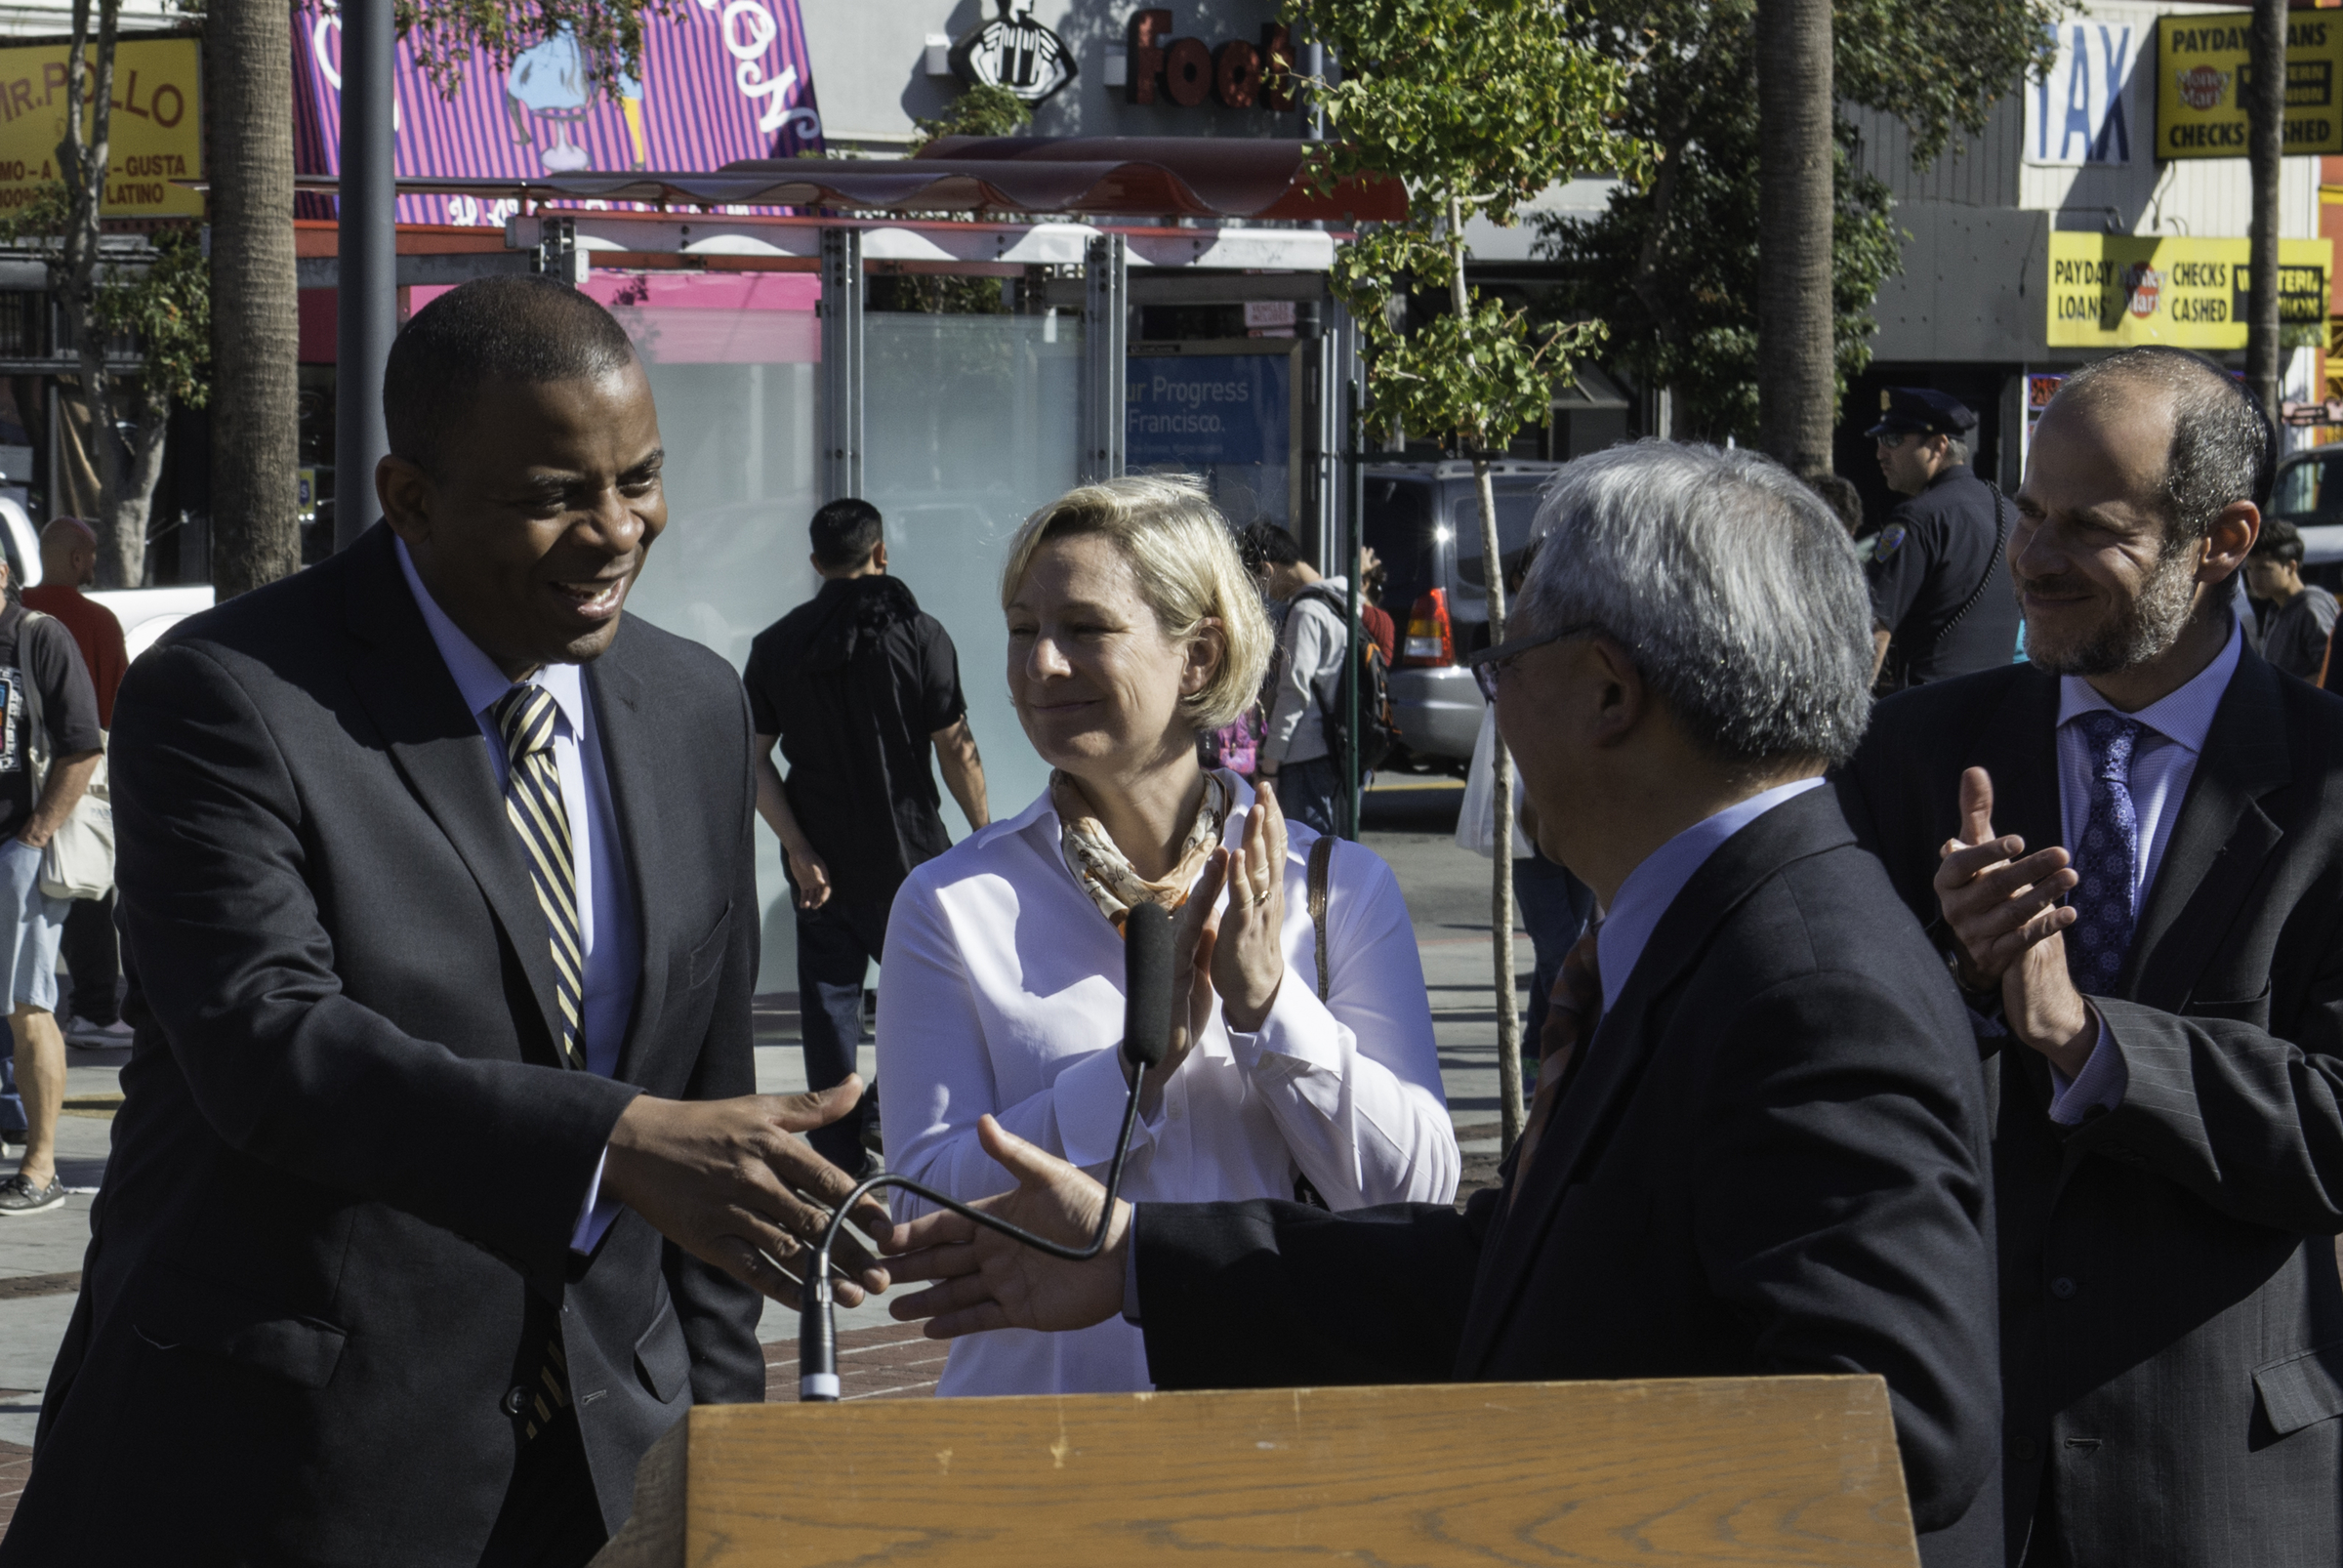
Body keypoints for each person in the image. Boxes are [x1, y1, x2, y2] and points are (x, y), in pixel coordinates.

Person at [882, 443, 2004, 1568]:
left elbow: (1886, 1433)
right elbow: (1517, 1265)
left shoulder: (1805, 982)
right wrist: (1141, 1254)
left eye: (1505, 651)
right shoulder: (1711, 939)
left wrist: (1523, 1499)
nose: (1489, 690)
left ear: (1611, 692)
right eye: (1025, 628)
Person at [0, 277, 896, 1566]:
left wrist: (714, 1468)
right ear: (407, 497)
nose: (616, 530)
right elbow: (269, 1045)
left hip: (606, 1469)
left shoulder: (692, 706)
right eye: (551, 497)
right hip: (291, 1470)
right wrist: (618, 1140)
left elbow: (700, 1132)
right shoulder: (229, 695)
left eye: (638, 477)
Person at [1834, 345, 2343, 1568]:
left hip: (2218, 1482)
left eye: (2089, 527)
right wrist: (1952, 977)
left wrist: (2089, 1037)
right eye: (2028, 514)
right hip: (1949, 1471)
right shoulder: (1906, 760)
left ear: (2223, 539)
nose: (2036, 557)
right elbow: (1826, 1086)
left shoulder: (2328, 786)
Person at [876, 475, 1457, 1396]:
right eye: (1024, 631)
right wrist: (1126, 1080)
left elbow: (1415, 1193)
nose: (1041, 666)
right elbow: (918, 1207)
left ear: (1199, 655)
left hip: (1283, 1432)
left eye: (1085, 629)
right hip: (1041, 1440)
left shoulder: (1332, 890)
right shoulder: (951, 902)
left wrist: (1271, 1009)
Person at [742, 499, 989, 1176]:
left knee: (828, 1019)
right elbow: (955, 748)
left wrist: (798, 850)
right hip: (912, 862)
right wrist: (984, 833)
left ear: (817, 565)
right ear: (881, 554)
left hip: (822, 868)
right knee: (946, 1007)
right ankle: (890, 1116)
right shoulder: (919, 633)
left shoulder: (774, 646)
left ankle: (837, 1162)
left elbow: (754, 759)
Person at [0, 557, 102, 1216]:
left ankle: (40, 1167)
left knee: (27, 1005)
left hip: (18, 847)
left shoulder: (38, 635)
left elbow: (81, 743)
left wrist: (35, 835)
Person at [22, 516, 131, 1049]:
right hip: (78, 779)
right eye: (88, 556)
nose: (92, 565)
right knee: (89, 889)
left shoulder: (16, 613)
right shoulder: (97, 622)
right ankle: (93, 1010)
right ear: (73, 559)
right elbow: (116, 710)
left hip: (16, 780)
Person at [1868, 388, 2023, 690]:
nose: (1880, 453)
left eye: (1893, 440)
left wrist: (1843, 718)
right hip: (1999, 706)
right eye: (1880, 440)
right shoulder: (2011, 513)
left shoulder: (1917, 519)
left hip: (1929, 712)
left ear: (1938, 446)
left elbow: (1874, 630)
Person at [1246, 520, 1357, 836]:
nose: (1266, 593)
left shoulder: (1306, 611)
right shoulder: (1343, 600)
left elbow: (1294, 690)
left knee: (1306, 855)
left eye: (1259, 582)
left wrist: (1270, 765)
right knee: (1329, 854)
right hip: (1335, 750)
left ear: (1267, 569)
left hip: (1304, 753)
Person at [2243, 516, 2336, 682]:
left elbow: (2331, 672)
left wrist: (2288, 691)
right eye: (2249, 569)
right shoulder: (2276, 610)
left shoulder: (2311, 607)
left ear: (2290, 566)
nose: (2254, 578)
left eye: (2263, 569)